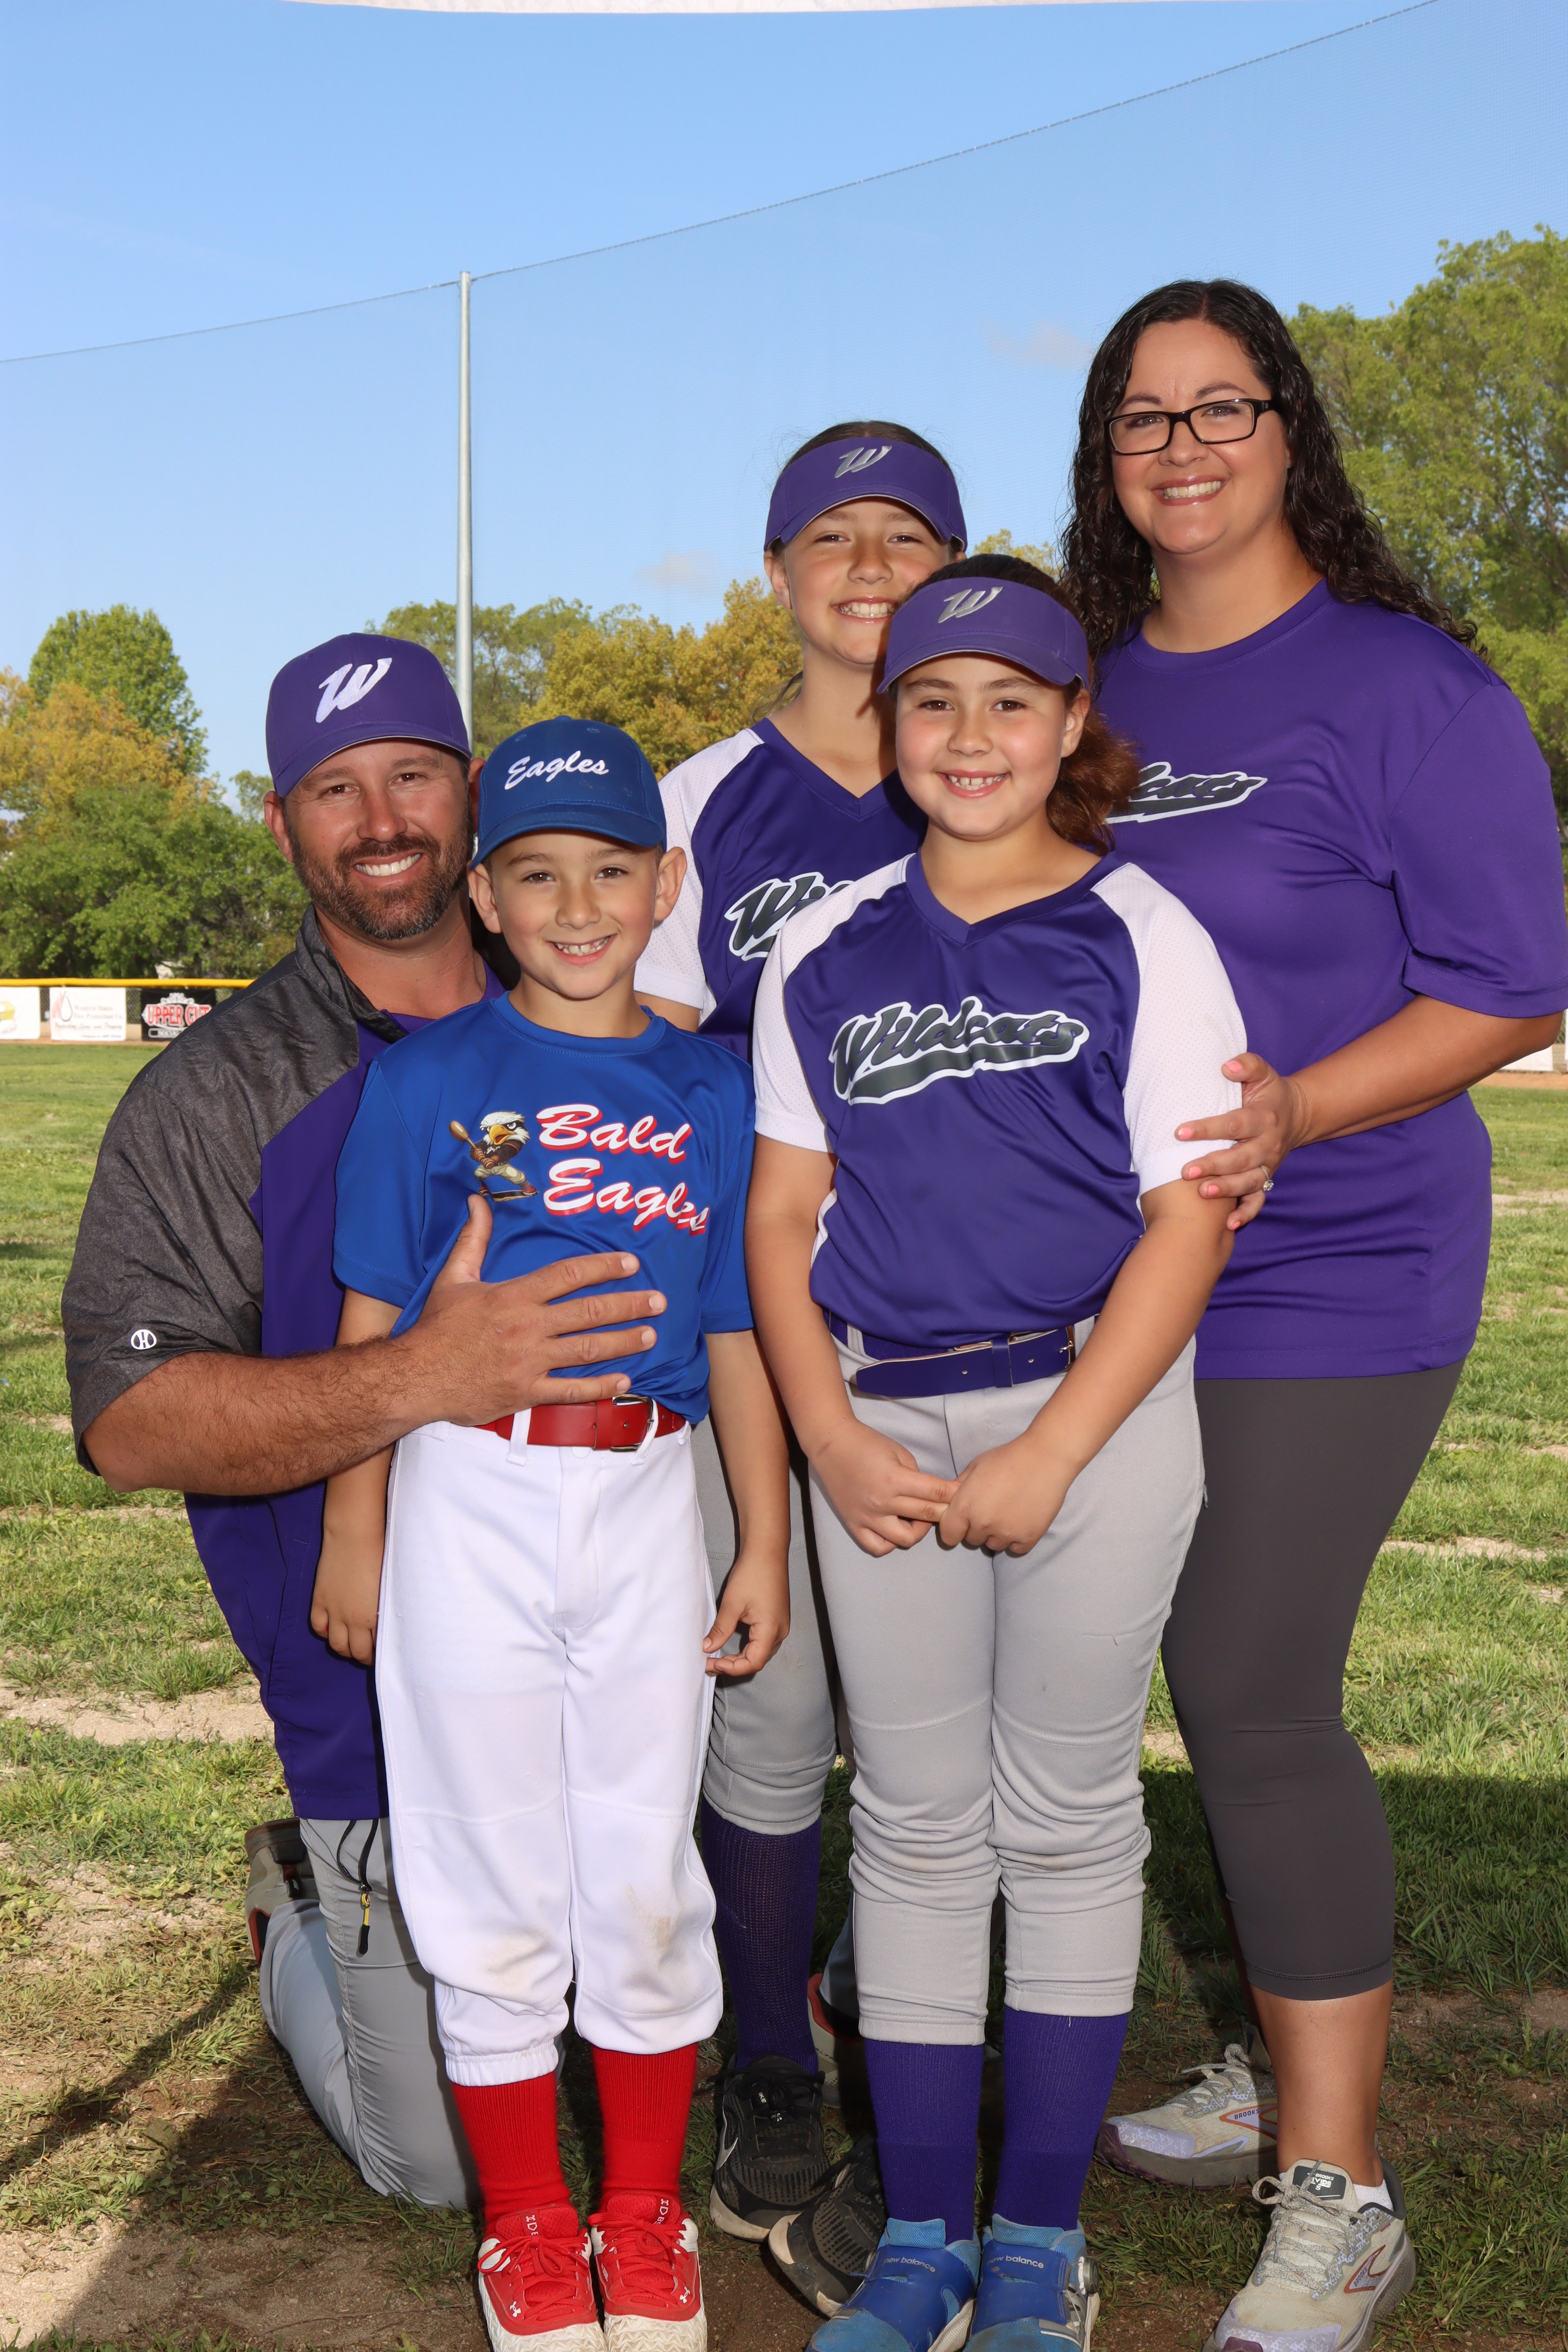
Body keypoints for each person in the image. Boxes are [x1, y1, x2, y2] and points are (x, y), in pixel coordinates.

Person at [1061, 280, 1568, 2352]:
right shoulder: (1079, 690)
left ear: (1291, 434)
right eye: (1142, 417)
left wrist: (1296, 1109)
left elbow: (1511, 983)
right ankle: (1274, 2049)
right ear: (1104, 456)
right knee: (1130, 1671)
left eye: (1222, 408)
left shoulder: (1404, 687)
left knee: (1251, 1678)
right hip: (1115, 1267)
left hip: (1332, 1254)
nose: (1181, 448)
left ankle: (1341, 2189)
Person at [61, 638, 671, 2211]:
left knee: (655, 2006)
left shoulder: (628, 1035)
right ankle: (297, 1914)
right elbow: (129, 1421)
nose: (382, 818)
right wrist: (420, 1376)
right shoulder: (217, 1094)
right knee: (447, 2168)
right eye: (335, 790)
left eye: (412, 774)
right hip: (373, 1692)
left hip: (617, 1629)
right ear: (283, 825)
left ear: (471, 794)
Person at [745, 558, 1245, 2352]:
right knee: (913, 1823)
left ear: (1071, 725)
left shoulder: (1143, 926)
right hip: (880, 1418)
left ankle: (1037, 2238)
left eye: (1011, 702)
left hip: (1089, 1410)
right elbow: (780, 1213)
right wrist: (825, 1437)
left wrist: (1057, 1446)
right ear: (888, 725)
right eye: (934, 701)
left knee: (1069, 1817)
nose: (971, 736)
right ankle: (922, 2235)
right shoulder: (826, 944)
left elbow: (1191, 1215)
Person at [314, 716, 788, 2352]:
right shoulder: (428, 1079)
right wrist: (356, 1528)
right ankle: (527, 2222)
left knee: (643, 1859)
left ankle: (643, 2216)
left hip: (651, 1488)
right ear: (486, 897)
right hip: (469, 1488)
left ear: (667, 885)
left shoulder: (713, 1085)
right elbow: (375, 1322)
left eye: (608, 871)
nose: (576, 907)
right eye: (535, 874)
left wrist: (763, 1537)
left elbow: (734, 1327)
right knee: (483, 1853)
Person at [635, 424, 966, 2242]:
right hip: (755, 1325)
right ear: (776, 573)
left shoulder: (990, 769)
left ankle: (895, 2008)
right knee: (767, 1703)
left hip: (961, 1319)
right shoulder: (700, 802)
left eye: (908, 534)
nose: (869, 565)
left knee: (942, 1722)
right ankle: (769, 2052)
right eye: (832, 536)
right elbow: (647, 1070)